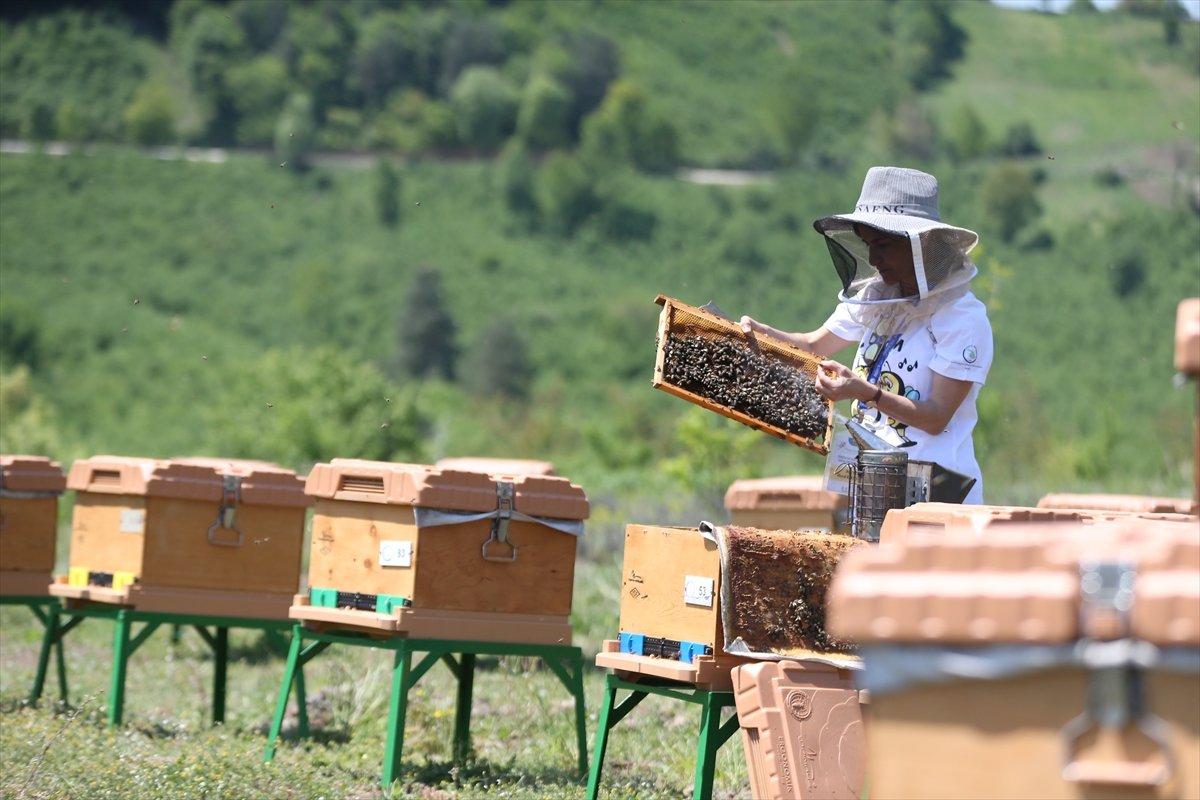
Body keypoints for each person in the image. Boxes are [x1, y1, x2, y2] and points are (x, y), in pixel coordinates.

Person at [740, 166, 993, 503]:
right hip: (870, 487)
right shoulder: (877, 297)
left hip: (937, 497)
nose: (873, 259)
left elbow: (935, 417)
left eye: (884, 245)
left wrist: (868, 393)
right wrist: (759, 335)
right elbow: (814, 345)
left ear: (921, 244)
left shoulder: (962, 317)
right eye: (868, 244)